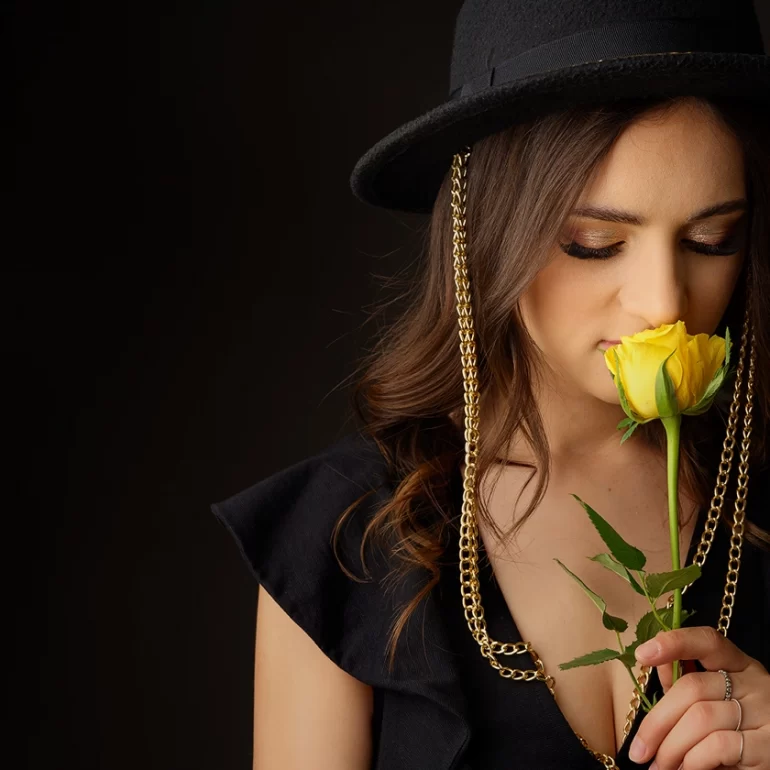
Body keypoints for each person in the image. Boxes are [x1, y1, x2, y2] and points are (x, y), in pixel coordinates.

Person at [210, 1, 770, 768]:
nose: (665, 303)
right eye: (595, 244)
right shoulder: (346, 542)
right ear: (489, 229)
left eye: (712, 240)